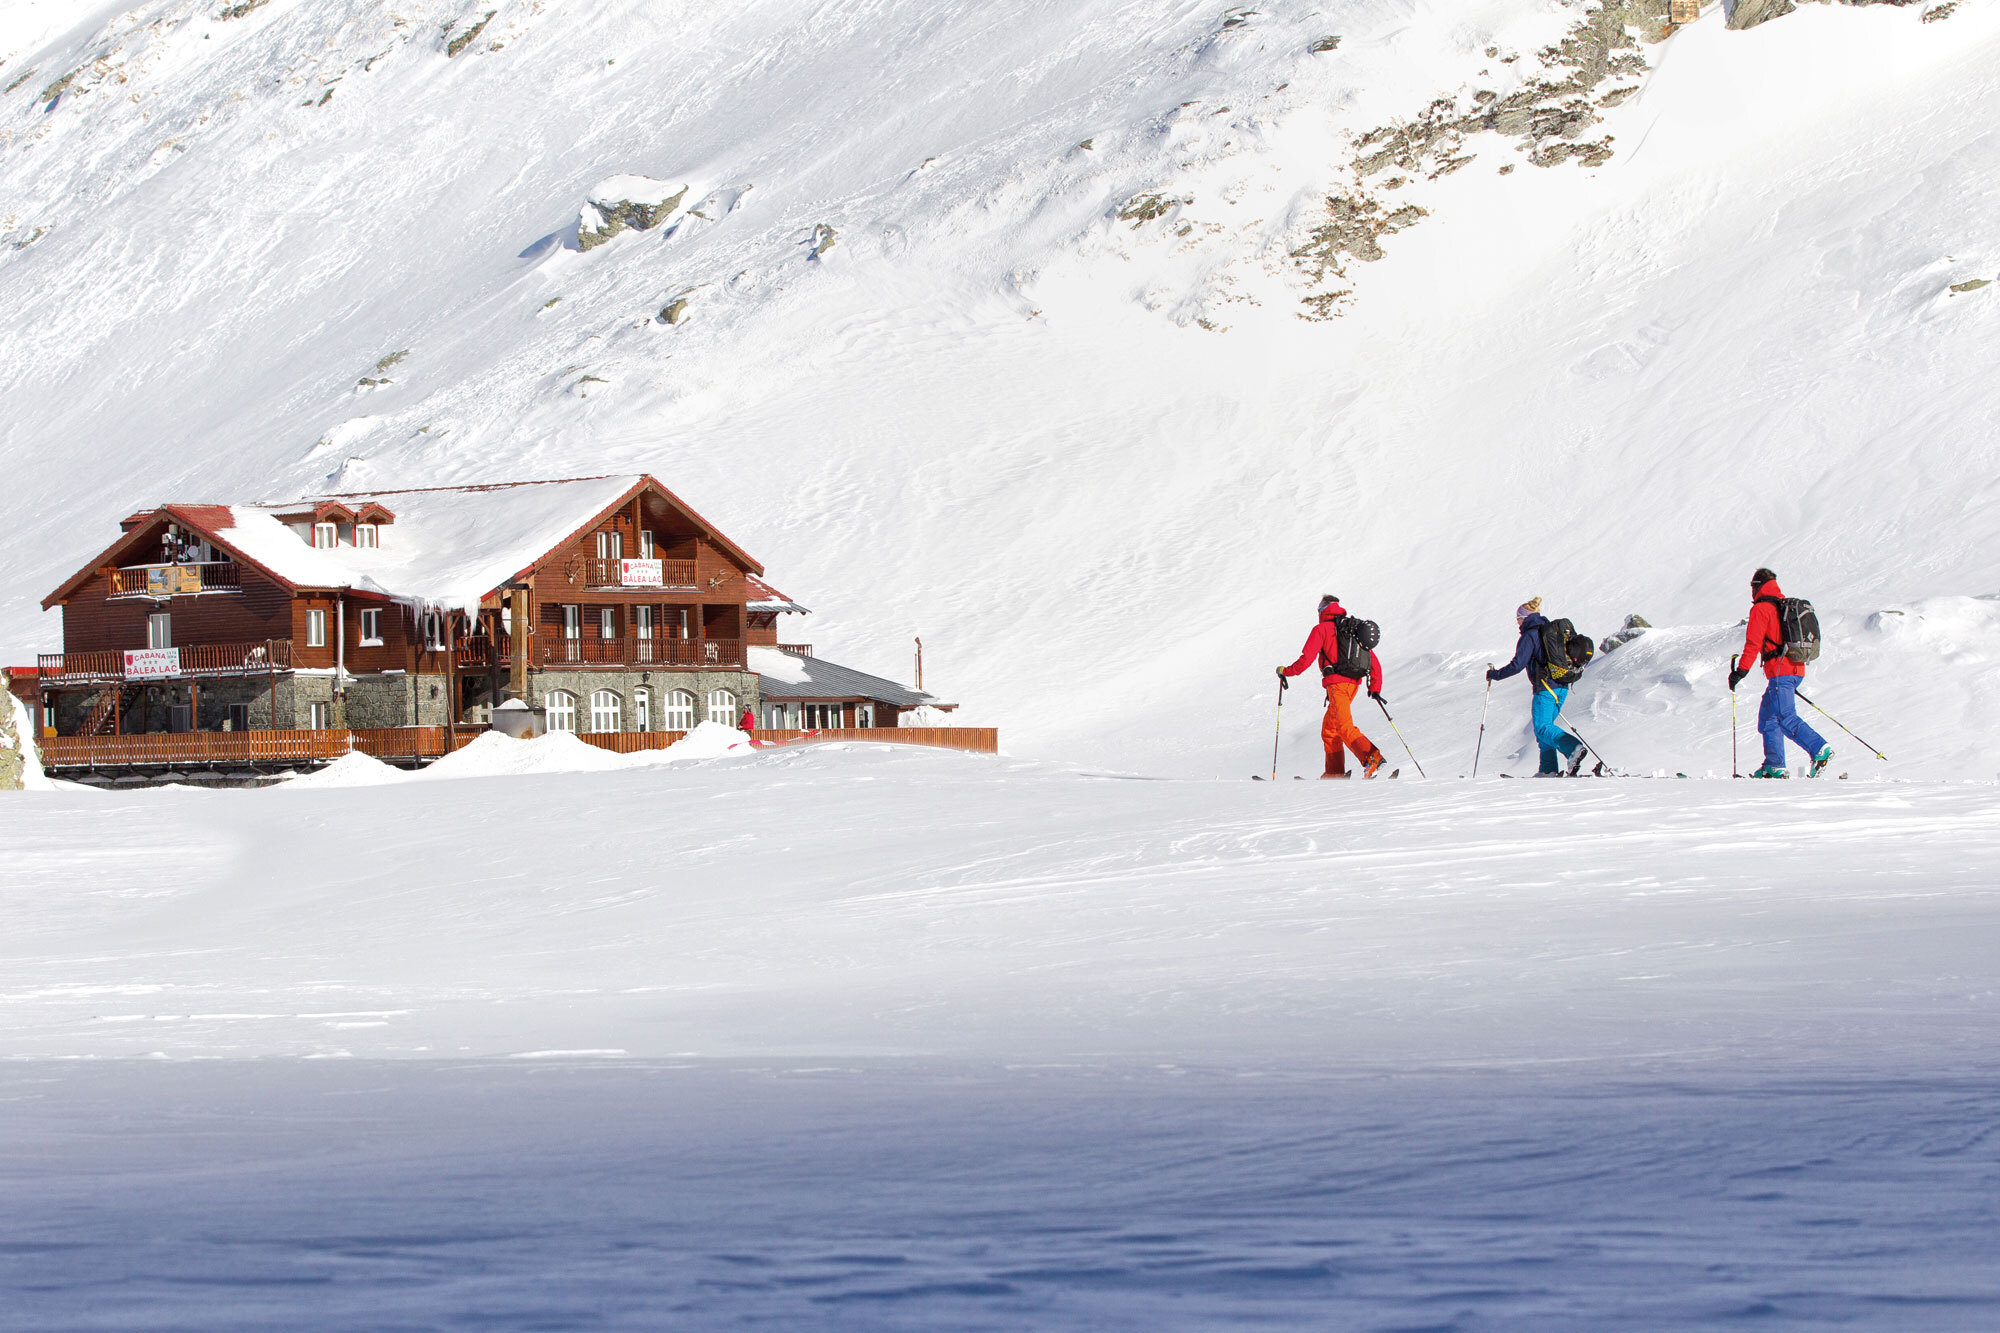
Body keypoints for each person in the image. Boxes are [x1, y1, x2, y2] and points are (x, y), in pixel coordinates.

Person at [1729, 568, 1832, 778]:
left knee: (1785, 717)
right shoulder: (1782, 605)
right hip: (1795, 669)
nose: (1751, 591)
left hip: (1781, 672)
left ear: (1757, 586)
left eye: (1752, 586)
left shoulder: (1762, 608)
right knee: (1768, 717)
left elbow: (1753, 643)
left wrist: (1740, 672)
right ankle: (1774, 765)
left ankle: (1820, 749)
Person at [1278, 595, 1387, 779]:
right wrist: (1375, 687)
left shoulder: (1322, 629)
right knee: (1330, 731)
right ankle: (1334, 773)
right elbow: (1373, 661)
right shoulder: (1351, 628)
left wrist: (1285, 671)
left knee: (1344, 727)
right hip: (1352, 685)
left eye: (1320, 607)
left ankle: (1372, 758)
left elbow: (1306, 660)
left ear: (1323, 609)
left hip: (1337, 685)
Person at [1486, 596, 1589, 776]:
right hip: (1561, 686)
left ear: (1523, 618)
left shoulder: (1531, 635)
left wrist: (1495, 674)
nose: (1517, 622)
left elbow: (1517, 665)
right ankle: (1548, 770)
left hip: (1546, 687)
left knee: (1542, 727)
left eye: (1518, 619)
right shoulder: (1549, 632)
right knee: (1545, 729)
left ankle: (1573, 749)